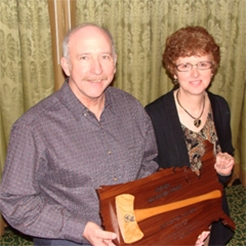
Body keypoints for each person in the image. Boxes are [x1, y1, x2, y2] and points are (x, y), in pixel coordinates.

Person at [0, 23, 212, 246]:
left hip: (134, 227)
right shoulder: (33, 127)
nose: (97, 70)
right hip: (70, 238)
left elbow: (147, 165)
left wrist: (175, 224)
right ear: (66, 65)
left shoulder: (131, 109)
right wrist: (80, 228)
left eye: (104, 57)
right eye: (84, 58)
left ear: (115, 63)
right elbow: (14, 202)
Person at [145, 26, 235, 246]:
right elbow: (149, 180)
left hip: (213, 211)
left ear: (212, 69)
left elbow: (226, 156)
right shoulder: (153, 115)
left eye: (202, 64)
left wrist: (225, 169)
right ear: (173, 71)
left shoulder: (220, 106)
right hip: (173, 218)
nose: (195, 74)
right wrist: (186, 225)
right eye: (185, 65)